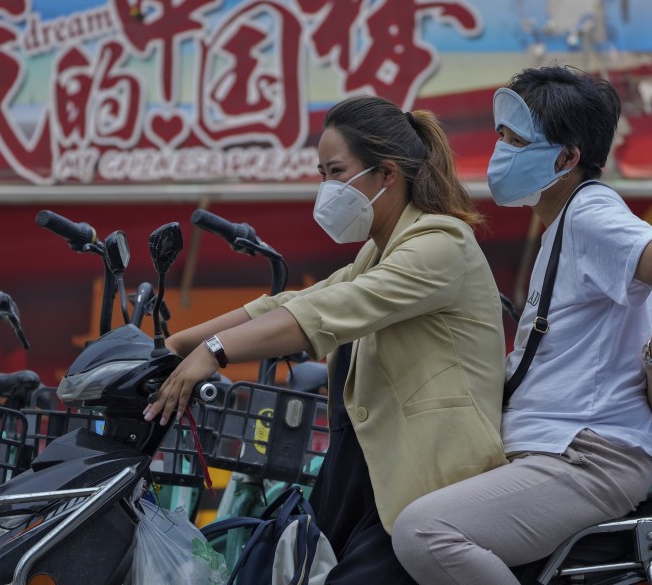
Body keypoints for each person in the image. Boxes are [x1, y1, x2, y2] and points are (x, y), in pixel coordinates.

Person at [144, 95, 508, 583]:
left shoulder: (441, 245)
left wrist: (216, 352)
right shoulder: (376, 255)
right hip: (365, 474)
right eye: (321, 173)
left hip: (425, 482)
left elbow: (326, 312)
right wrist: (175, 346)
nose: (326, 188)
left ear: (386, 175)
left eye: (336, 172)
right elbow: (287, 303)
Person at [391, 65, 652, 585]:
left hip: (588, 455)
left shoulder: (590, 214)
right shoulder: (564, 225)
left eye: (515, 139)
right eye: (500, 134)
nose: (499, 149)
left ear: (567, 158)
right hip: (563, 449)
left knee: (427, 531)